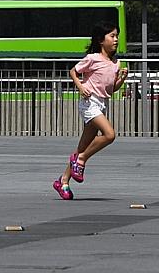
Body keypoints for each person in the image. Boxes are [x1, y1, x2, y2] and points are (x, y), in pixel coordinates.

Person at [53, 23, 127, 200]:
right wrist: (80, 86)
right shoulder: (93, 58)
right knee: (109, 135)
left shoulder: (116, 63)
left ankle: (63, 181)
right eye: (112, 36)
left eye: (117, 36)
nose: (116, 39)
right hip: (89, 103)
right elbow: (73, 71)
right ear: (101, 40)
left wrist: (122, 79)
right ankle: (82, 160)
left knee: (82, 147)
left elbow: (111, 90)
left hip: (102, 104)